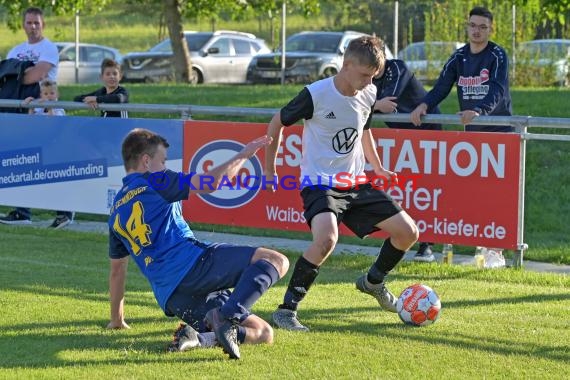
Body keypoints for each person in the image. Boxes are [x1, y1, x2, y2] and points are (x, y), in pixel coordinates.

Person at [264, 36, 419, 331]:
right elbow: (277, 122)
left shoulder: (369, 92)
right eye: (363, 75)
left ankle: (373, 282)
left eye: (372, 76)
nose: (368, 81)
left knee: (408, 232)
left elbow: (364, 130)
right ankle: (286, 310)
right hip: (319, 184)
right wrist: (269, 170)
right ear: (346, 65)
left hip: (356, 183)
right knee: (326, 240)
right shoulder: (316, 94)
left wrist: (378, 167)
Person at [108, 128, 289, 360]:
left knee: (264, 332)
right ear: (146, 160)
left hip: (173, 296)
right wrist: (244, 154)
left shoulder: (114, 211)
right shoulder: (156, 180)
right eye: (162, 161)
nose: (164, 166)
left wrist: (117, 320)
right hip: (194, 268)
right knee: (276, 260)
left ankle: (198, 338)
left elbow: (116, 270)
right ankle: (226, 317)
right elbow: (212, 182)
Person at [373, 58, 444, 263]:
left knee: (428, 190)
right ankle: (401, 240)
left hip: (427, 133)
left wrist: (371, 103)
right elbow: (353, 100)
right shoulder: (365, 76)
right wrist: (373, 103)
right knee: (405, 189)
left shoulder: (397, 67)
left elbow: (388, 102)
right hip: (401, 138)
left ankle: (427, 245)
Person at [410, 6, 513, 132]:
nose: (477, 30)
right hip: (472, 128)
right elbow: (441, 87)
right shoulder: (458, 57)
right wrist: (424, 105)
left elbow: (497, 89)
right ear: (467, 27)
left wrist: (478, 110)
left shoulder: (498, 55)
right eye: (473, 25)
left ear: (490, 30)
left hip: (499, 129)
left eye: (483, 27)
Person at [0, 7, 59, 225]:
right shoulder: (15, 50)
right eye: (29, 23)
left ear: (43, 24)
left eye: (37, 23)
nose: (33, 27)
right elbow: (5, 77)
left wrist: (17, 75)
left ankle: (64, 210)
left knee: (51, 162)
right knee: (20, 160)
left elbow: (37, 74)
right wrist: (18, 74)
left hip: (46, 113)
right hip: (20, 113)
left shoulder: (49, 48)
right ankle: (21, 211)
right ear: (23, 24)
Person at [22, 79, 74, 229]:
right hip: (42, 151)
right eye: (45, 94)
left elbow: (53, 123)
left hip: (58, 152)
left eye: (52, 93)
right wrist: (31, 105)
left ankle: (65, 213)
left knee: (59, 182)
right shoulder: (39, 108)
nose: (49, 96)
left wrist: (48, 107)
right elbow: (30, 122)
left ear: (57, 94)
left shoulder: (58, 110)